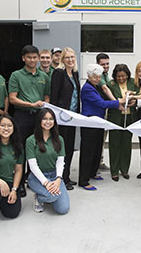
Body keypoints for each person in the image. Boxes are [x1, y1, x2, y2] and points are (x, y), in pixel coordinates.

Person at [9, 45, 50, 197]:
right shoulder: (16, 75)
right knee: (20, 150)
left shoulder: (44, 76)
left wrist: (43, 108)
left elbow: (47, 97)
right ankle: (18, 184)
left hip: (39, 117)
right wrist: (31, 104)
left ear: (38, 58)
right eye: (29, 57)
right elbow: (13, 98)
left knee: (38, 148)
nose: (32, 60)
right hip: (22, 116)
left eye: (35, 57)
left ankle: (34, 179)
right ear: (23, 58)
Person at [79, 64, 124, 190]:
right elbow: (101, 103)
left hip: (98, 123)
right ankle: (83, 180)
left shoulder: (95, 87)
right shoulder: (88, 88)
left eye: (99, 77)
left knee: (97, 150)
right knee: (88, 152)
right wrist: (118, 102)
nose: (97, 79)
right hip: (89, 124)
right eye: (94, 77)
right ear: (88, 76)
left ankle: (92, 173)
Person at [26, 108, 69, 214]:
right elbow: (32, 165)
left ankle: (49, 196)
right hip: (37, 177)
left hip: (54, 175)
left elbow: (60, 162)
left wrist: (58, 179)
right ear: (39, 120)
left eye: (51, 119)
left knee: (63, 209)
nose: (48, 122)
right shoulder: (31, 140)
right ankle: (39, 198)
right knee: (52, 195)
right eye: (45, 119)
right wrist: (46, 183)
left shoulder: (59, 139)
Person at [50, 47, 80, 191]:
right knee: (61, 150)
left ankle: (66, 177)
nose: (70, 60)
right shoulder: (58, 73)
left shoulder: (74, 73)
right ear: (62, 60)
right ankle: (60, 178)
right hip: (61, 119)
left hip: (72, 118)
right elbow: (54, 97)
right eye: (67, 57)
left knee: (69, 148)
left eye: (72, 57)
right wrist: (54, 119)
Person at [107, 64, 138, 181]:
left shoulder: (133, 82)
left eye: (123, 76)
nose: (121, 78)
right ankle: (114, 171)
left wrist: (133, 101)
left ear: (127, 75)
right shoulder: (111, 84)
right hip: (115, 117)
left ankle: (124, 169)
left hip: (130, 117)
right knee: (114, 144)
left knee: (126, 144)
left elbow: (140, 94)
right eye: (118, 76)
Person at [96, 52, 113, 171]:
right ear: (97, 64)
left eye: (107, 64)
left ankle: (99, 160)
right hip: (99, 110)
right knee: (98, 138)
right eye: (103, 64)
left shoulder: (106, 75)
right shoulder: (98, 75)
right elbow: (105, 88)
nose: (106, 66)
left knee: (103, 137)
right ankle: (96, 162)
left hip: (105, 109)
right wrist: (117, 102)